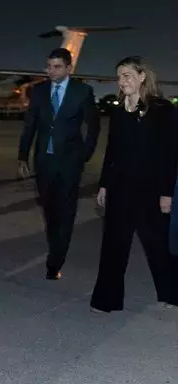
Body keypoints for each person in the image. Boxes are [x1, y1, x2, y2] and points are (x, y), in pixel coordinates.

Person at [90, 56, 178, 313]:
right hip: (120, 189)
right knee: (113, 246)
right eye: (119, 76)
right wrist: (104, 185)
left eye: (127, 75)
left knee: (158, 246)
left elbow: (170, 155)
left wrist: (166, 193)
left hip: (151, 191)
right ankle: (107, 300)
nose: (122, 81)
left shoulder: (162, 109)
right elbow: (112, 152)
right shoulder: (118, 112)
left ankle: (171, 294)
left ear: (142, 76)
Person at [18, 47, 101, 280]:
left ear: (68, 68)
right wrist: (22, 156)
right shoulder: (39, 91)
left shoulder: (82, 91)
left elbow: (93, 126)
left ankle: (55, 261)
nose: (50, 71)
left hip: (70, 162)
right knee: (50, 210)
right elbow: (29, 125)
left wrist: (84, 154)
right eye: (48, 66)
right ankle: (55, 245)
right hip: (44, 161)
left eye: (56, 67)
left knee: (66, 211)